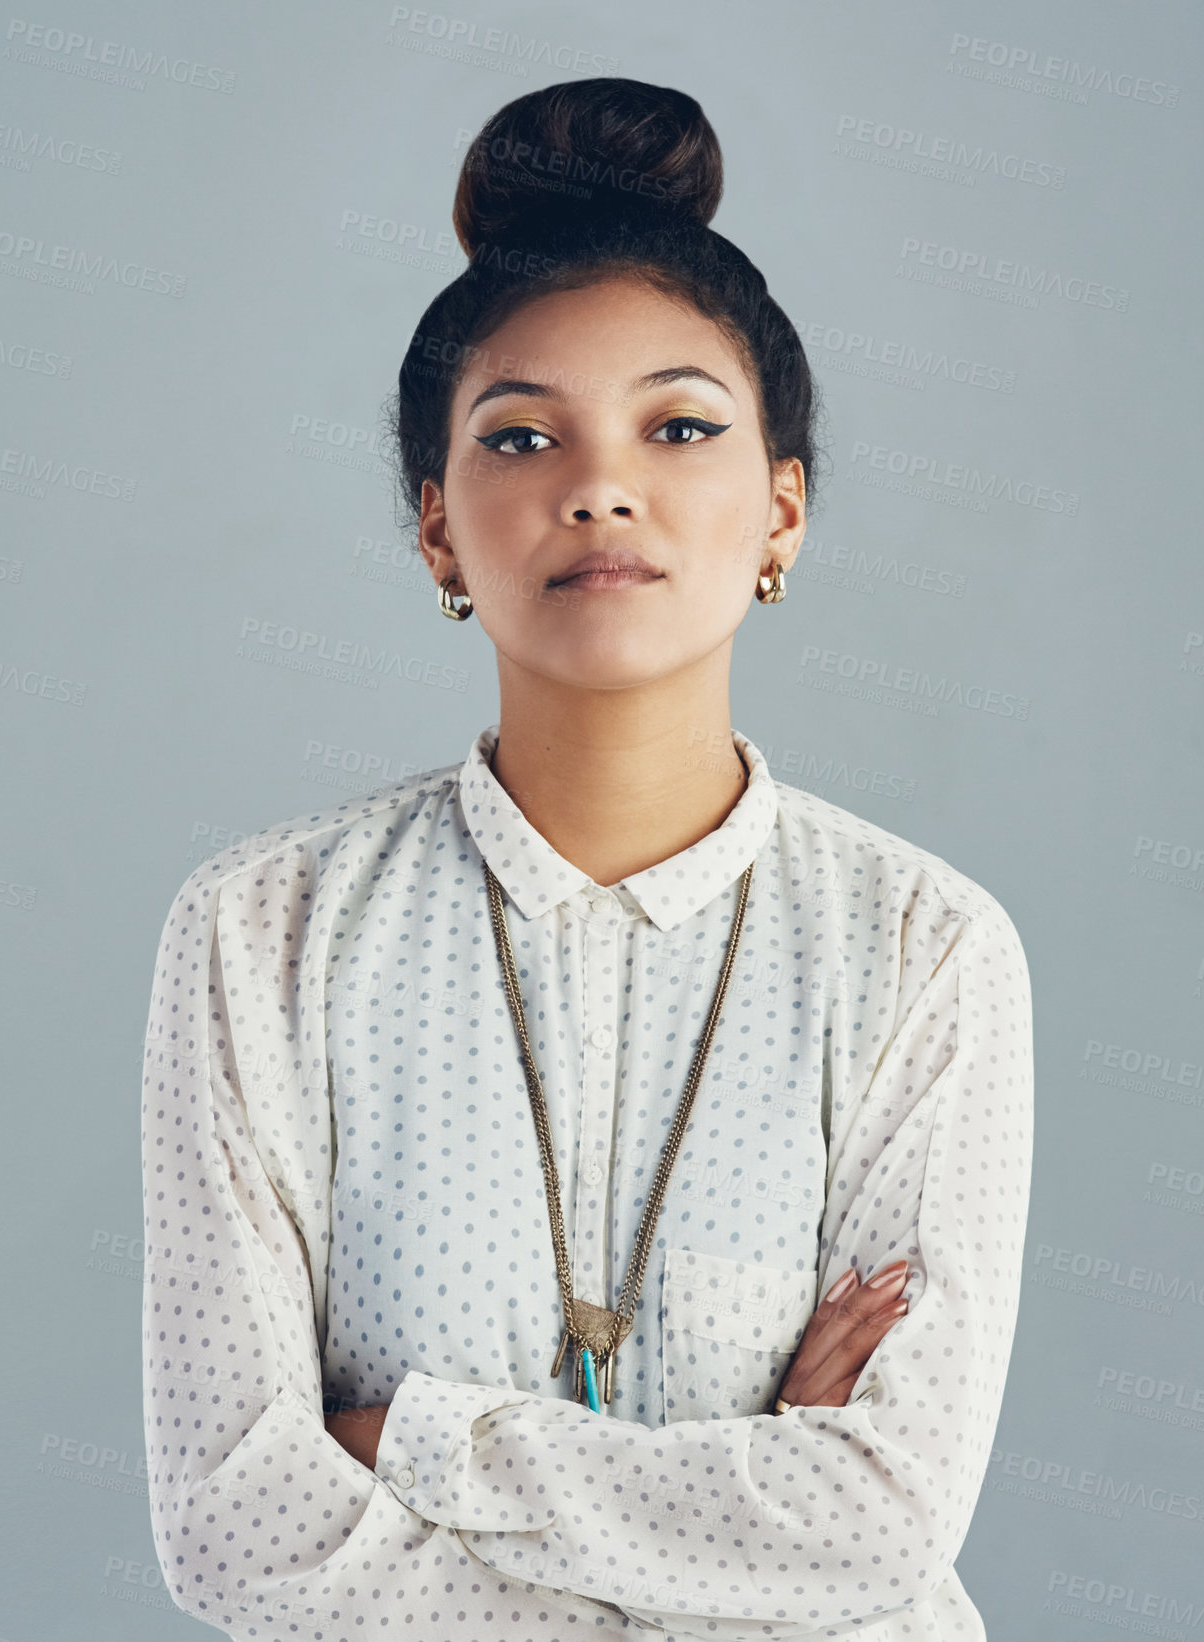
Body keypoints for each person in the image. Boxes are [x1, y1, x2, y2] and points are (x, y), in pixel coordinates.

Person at [140, 78, 1034, 1641]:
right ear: (437, 528)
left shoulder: (925, 945)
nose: (600, 482)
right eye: (522, 434)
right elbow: (239, 1530)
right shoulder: (260, 931)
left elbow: (884, 1520)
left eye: (680, 425)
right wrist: (745, 1504)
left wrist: (411, 1441)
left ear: (782, 512)